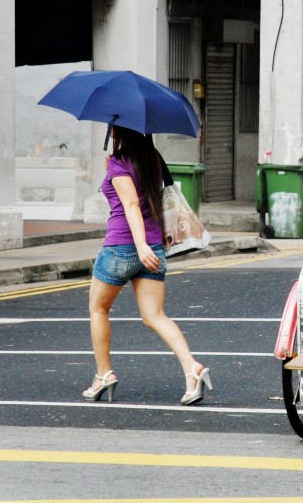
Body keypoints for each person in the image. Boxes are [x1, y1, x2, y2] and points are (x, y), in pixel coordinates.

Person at [82, 125, 213, 405]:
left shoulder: (120, 163)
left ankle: (104, 374)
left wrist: (138, 246)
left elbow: (130, 205)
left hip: (121, 247)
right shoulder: (152, 159)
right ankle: (192, 369)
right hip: (154, 247)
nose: (109, 128)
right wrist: (145, 247)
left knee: (98, 309)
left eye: (112, 125)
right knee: (155, 316)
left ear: (120, 129)